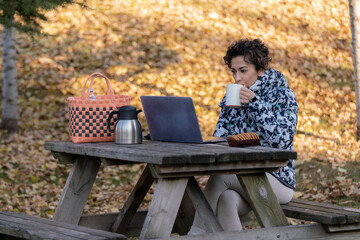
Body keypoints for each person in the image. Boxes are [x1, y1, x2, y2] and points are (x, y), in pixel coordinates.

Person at [188, 38, 298, 234]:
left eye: (243, 71)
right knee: (227, 200)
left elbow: (282, 141)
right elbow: (221, 137)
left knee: (221, 177)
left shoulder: (282, 94)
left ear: (260, 69)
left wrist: (255, 103)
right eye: (233, 71)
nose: (237, 78)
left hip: (278, 179)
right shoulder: (232, 95)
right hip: (243, 174)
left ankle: (194, 234)